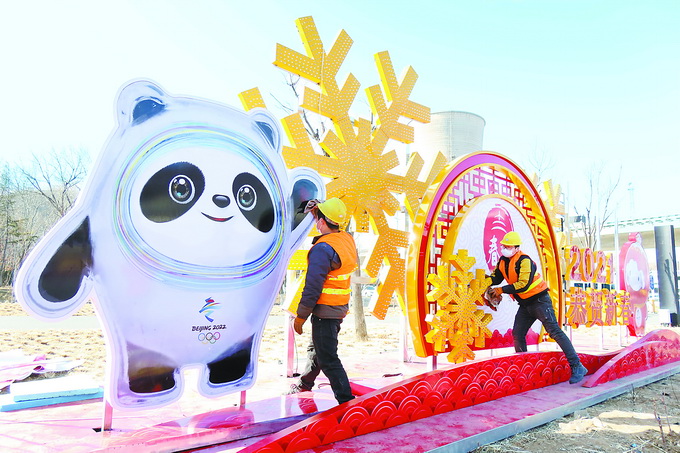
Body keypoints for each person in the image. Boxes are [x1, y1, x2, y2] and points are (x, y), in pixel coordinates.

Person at [487, 231, 589, 384]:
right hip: (525, 304)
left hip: (540, 301)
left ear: (516, 248)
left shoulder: (524, 260)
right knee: (518, 334)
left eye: (508, 246)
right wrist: (483, 282)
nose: (504, 249)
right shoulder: (503, 261)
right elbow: (496, 278)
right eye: (503, 246)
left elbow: (523, 284)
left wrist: (501, 290)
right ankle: (523, 370)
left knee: (554, 331)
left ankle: (577, 366)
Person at [288, 197, 357, 404]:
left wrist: (301, 316)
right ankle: (304, 384)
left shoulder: (322, 249)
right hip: (338, 308)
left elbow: (312, 288)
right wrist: (317, 210)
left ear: (322, 222)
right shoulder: (346, 239)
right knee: (317, 350)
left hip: (324, 311)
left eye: (318, 218)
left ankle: (346, 402)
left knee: (328, 358)